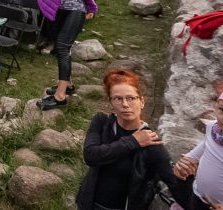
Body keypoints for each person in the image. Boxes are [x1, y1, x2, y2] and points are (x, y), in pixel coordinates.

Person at [76, 68, 188, 210]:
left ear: (141, 102)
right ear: (111, 102)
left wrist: (188, 181)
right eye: (118, 98)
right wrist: (133, 141)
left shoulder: (151, 142)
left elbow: (174, 183)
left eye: (131, 98)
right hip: (88, 204)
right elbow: (91, 156)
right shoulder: (102, 122)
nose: (125, 104)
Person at [35, 0, 97, 110]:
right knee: (59, 45)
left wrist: (91, 5)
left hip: (76, 7)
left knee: (62, 46)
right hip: (56, 7)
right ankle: (67, 84)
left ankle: (60, 96)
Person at [173, 91, 223, 210]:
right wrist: (183, 165)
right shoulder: (213, 128)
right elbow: (205, 146)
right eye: (222, 110)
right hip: (198, 197)